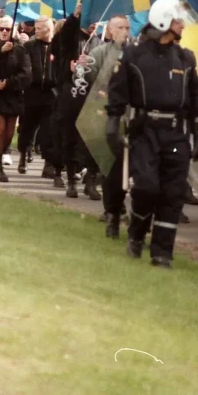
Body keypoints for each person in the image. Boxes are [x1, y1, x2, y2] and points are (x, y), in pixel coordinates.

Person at [106, 0, 198, 268]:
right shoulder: (134, 55)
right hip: (144, 132)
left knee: (173, 195)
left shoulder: (186, 58)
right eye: (178, 21)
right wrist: (113, 123)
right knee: (147, 188)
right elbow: (117, 91)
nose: (183, 25)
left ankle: (162, 252)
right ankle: (136, 233)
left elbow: (194, 99)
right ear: (163, 21)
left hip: (176, 133)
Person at [82, 14, 131, 237]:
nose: (124, 30)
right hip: (106, 115)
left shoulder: (136, 53)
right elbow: (88, 80)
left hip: (129, 116)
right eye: (119, 27)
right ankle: (110, 208)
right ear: (110, 31)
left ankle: (121, 204)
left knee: (128, 165)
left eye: (127, 27)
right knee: (109, 163)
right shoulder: (99, 53)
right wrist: (80, 68)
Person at [51, 1, 102, 198]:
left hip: (93, 96)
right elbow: (64, 37)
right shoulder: (72, 37)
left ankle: (91, 181)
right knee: (70, 137)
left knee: (92, 140)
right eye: (90, 19)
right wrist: (74, 16)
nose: (93, 24)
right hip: (71, 94)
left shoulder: (100, 42)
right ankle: (71, 180)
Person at [0, 16, 32, 183]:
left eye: (7, 29)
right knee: (0, 129)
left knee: (9, 134)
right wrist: (1, 53)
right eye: (1, 28)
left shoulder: (20, 50)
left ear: (13, 31)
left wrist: (9, 83)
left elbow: (26, 75)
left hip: (13, 95)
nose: (4, 32)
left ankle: (0, 155)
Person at [19, 16, 62, 181]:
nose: (35, 31)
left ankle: (48, 164)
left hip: (50, 94)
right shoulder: (29, 46)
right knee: (27, 127)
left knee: (48, 130)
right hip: (31, 93)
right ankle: (24, 153)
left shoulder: (57, 47)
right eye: (35, 28)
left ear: (48, 29)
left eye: (38, 28)